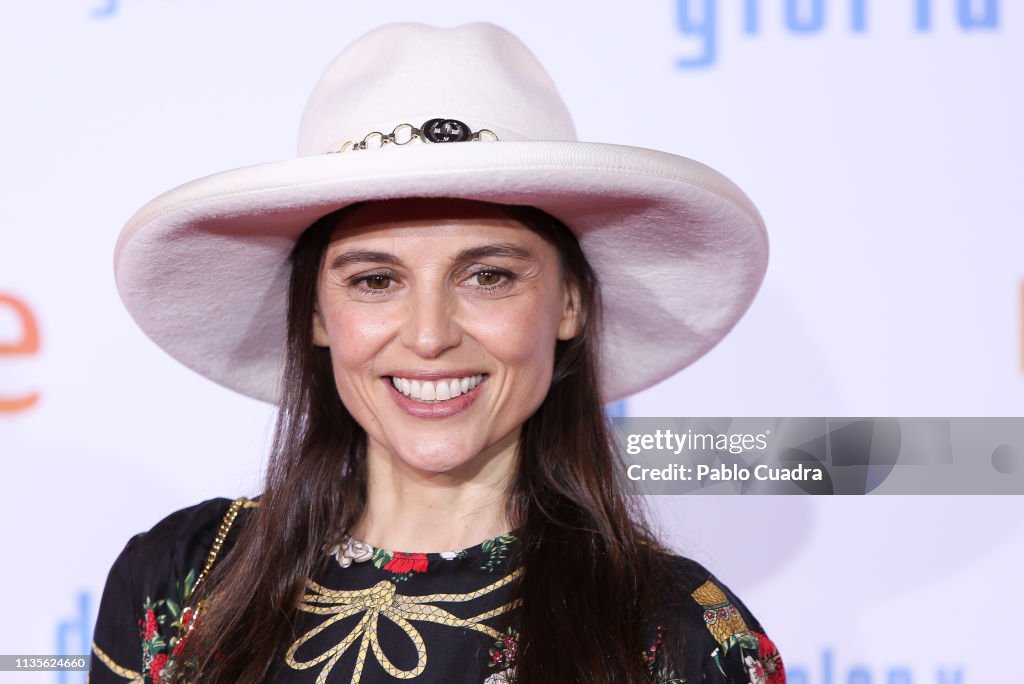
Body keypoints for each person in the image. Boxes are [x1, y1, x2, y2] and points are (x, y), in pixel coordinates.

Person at [89, 22, 781, 684]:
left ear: (570, 303)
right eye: (375, 280)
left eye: (488, 276)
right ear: (316, 315)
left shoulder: (684, 636)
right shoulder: (181, 580)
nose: (428, 335)